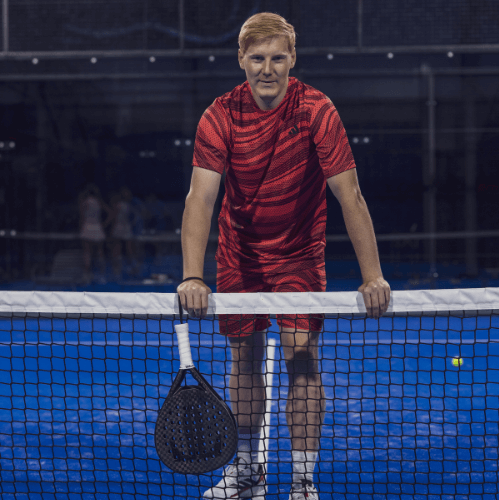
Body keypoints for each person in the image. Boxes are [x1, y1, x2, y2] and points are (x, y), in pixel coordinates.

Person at [177, 12, 391, 500]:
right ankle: (247, 471)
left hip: (299, 255)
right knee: (244, 359)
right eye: (257, 58)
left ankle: (302, 481)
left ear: (293, 58)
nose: (267, 69)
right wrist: (192, 276)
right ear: (241, 59)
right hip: (240, 254)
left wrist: (373, 276)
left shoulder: (317, 111)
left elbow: (350, 195)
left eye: (277, 57)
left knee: (302, 357)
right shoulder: (219, 115)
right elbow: (200, 199)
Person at [78, 184, 108, 282]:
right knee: (99, 252)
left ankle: (87, 274)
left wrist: (80, 228)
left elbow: (82, 216)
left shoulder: (85, 202)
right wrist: (104, 224)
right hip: (97, 228)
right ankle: (101, 275)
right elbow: (110, 212)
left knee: (87, 252)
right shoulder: (99, 202)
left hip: (87, 227)